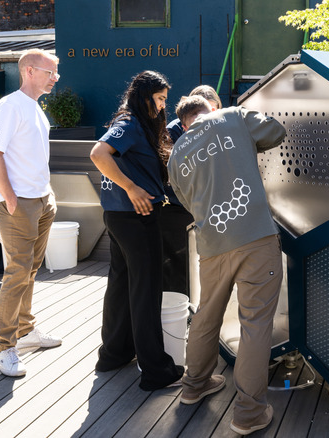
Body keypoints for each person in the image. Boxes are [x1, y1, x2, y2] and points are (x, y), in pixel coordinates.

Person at [167, 95, 285, 435]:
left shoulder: (177, 153)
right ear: (211, 110)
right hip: (255, 236)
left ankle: (194, 386)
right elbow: (275, 132)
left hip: (212, 244)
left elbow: (186, 201)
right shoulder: (232, 116)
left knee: (206, 314)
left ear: (185, 123)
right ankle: (248, 414)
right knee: (255, 324)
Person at [89, 70, 184, 391]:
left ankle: (114, 354)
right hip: (135, 216)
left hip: (120, 217)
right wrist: (131, 188)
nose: (161, 107)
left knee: (121, 285)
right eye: (159, 99)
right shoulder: (129, 123)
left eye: (164, 101)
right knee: (146, 291)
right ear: (144, 97)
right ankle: (157, 371)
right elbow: (98, 154)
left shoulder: (139, 125)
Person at [0, 48, 62, 377]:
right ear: (29, 71)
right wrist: (11, 198)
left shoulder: (35, 109)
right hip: (19, 205)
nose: (55, 78)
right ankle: (4, 347)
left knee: (30, 271)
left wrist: (47, 194)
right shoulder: (9, 107)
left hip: (41, 200)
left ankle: (26, 331)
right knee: (17, 273)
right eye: (50, 72)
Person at [161, 86, 222, 297]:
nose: (209, 119)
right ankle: (181, 309)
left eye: (214, 111)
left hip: (206, 209)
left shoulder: (219, 126)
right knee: (179, 262)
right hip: (177, 208)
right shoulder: (173, 132)